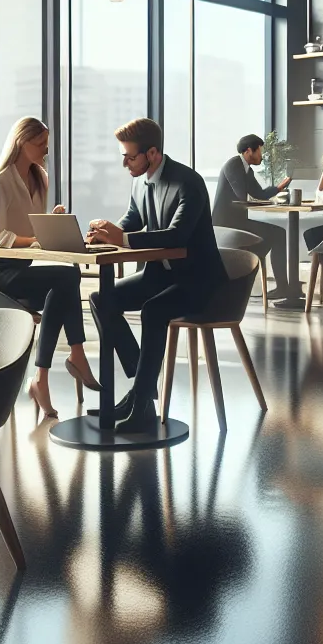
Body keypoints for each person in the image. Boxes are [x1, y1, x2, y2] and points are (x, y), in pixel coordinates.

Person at [87, 118, 225, 431]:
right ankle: (142, 389)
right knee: (101, 299)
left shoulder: (187, 182)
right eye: (122, 156)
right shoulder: (139, 180)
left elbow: (176, 236)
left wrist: (120, 238)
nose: (125, 164)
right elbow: (133, 221)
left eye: (130, 157)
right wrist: (105, 232)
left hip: (199, 280)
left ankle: (142, 405)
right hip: (161, 276)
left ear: (152, 154)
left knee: (154, 310)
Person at [0, 116, 102, 418]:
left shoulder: (39, 178)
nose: (46, 150)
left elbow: (33, 224)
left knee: (63, 285)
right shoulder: (1, 181)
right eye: (40, 144)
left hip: (21, 267)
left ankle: (43, 379)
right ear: (22, 142)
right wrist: (35, 240)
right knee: (66, 278)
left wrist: (53, 221)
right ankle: (74, 357)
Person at [212, 134, 300, 307]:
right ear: (248, 151)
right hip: (226, 225)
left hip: (237, 222)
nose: (263, 156)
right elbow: (241, 195)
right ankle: (282, 286)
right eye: (260, 151)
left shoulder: (246, 169)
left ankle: (283, 287)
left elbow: (258, 194)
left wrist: (279, 187)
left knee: (277, 235)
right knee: (277, 234)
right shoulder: (233, 165)